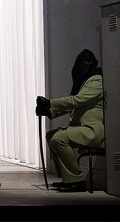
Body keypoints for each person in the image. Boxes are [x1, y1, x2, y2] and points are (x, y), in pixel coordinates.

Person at [36, 48, 104, 193]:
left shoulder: (96, 81)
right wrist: (48, 111)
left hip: (93, 130)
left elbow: (77, 101)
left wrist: (50, 103)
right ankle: (68, 179)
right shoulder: (86, 82)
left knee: (59, 138)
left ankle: (76, 181)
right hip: (84, 128)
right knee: (51, 136)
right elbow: (75, 104)